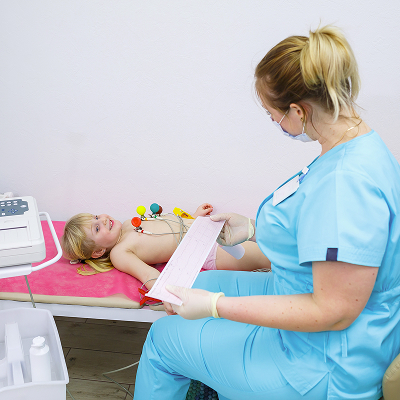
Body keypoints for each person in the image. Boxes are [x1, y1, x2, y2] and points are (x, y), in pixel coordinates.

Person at [133, 25, 400, 400]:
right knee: (185, 291)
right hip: (304, 295)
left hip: (323, 362)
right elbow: (322, 230)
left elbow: (333, 311)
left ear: (298, 110)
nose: (273, 121)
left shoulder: (346, 185)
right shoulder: (351, 143)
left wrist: (215, 307)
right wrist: (252, 229)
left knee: (163, 339)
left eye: (271, 113)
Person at [61, 203, 270, 290]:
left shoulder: (127, 224)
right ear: (98, 252)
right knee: (268, 256)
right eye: (97, 228)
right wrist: (170, 295)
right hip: (206, 250)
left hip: (207, 227)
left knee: (268, 236)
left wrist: (193, 217)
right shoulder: (119, 253)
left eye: (97, 217)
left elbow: (169, 225)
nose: (103, 220)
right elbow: (149, 276)